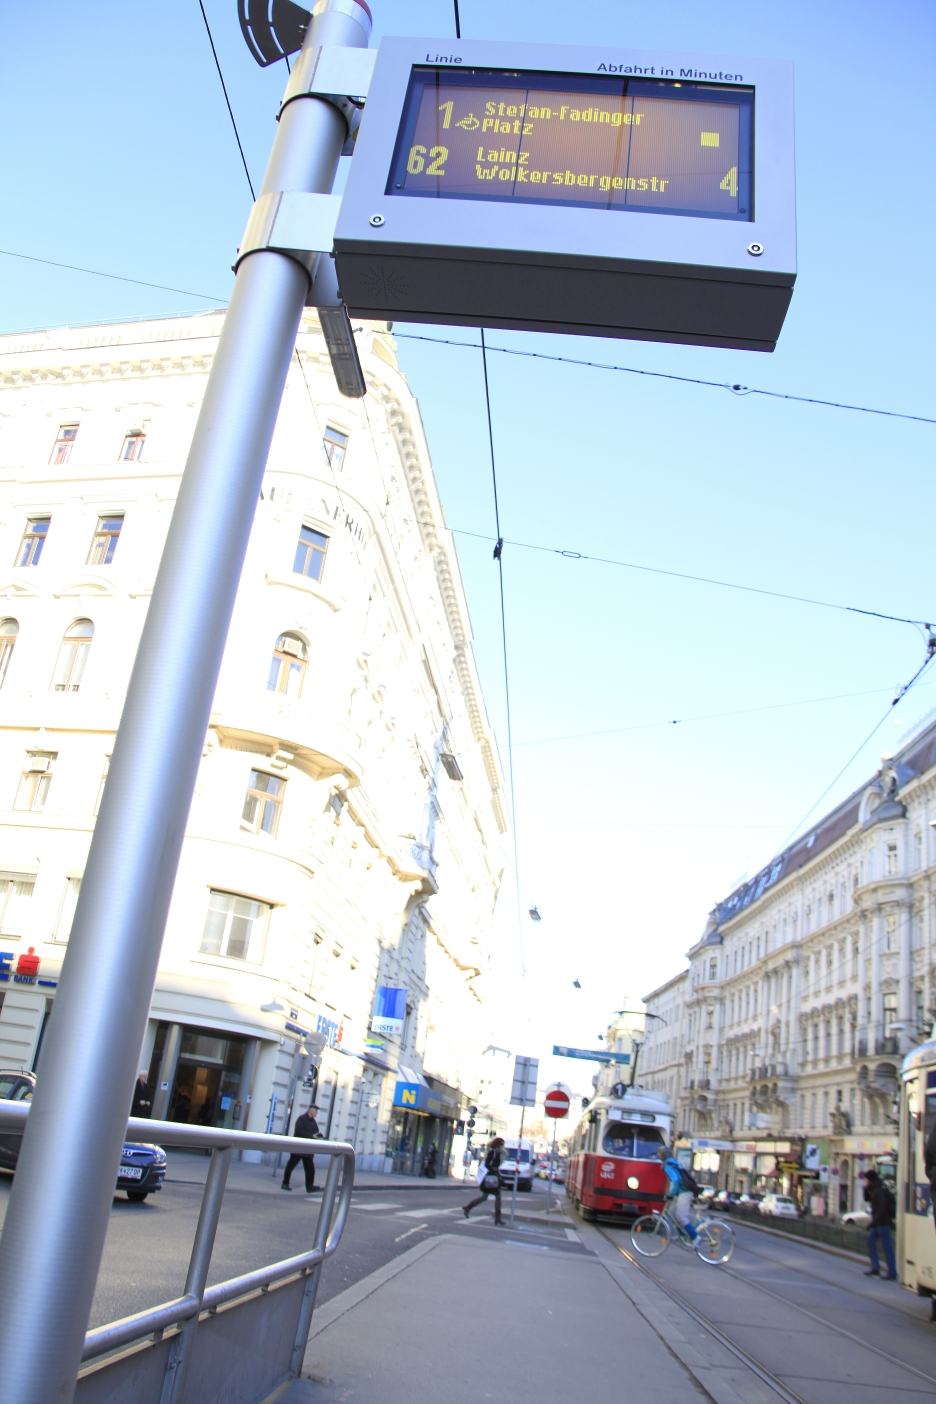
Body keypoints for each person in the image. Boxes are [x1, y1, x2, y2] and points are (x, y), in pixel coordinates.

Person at [658, 1145, 699, 1242]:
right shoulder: (673, 1162)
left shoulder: (668, 1165)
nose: (658, 1156)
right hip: (682, 1192)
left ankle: (695, 1237)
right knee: (672, 1213)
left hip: (685, 1192)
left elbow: (675, 1181)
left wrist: (670, 1195)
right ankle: (681, 1235)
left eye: (659, 1154)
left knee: (681, 1216)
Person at [863, 1168, 897, 1279]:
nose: (865, 1182)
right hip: (878, 1223)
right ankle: (875, 1267)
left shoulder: (878, 1191)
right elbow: (866, 1199)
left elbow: (882, 1208)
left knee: (887, 1247)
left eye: (866, 1180)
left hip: (883, 1223)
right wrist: (865, 1188)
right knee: (870, 1242)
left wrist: (874, 1222)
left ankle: (892, 1272)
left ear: (870, 1180)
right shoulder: (873, 1190)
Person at [281, 1104, 321, 1196]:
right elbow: (300, 1131)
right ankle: (285, 1183)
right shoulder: (301, 1119)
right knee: (291, 1165)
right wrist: (311, 1136)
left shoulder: (313, 1121)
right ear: (310, 1111)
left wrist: (318, 1134)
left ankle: (310, 1186)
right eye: (315, 1111)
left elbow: (315, 1131)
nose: (316, 1113)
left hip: (307, 1150)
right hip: (299, 1148)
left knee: (310, 1169)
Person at [463, 1136, 505, 1225]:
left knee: (496, 1197)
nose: (502, 1146)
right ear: (497, 1144)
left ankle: (497, 1217)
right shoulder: (492, 1152)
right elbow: (486, 1164)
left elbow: (498, 1165)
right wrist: (493, 1171)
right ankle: (468, 1207)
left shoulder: (500, 1153)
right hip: (489, 1177)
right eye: (501, 1144)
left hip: (494, 1177)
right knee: (485, 1197)